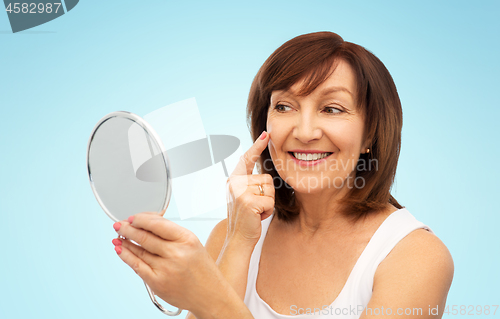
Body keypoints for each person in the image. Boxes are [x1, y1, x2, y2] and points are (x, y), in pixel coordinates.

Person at [111, 31, 454, 319]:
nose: (304, 132)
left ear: (370, 134)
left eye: (331, 108)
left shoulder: (416, 256)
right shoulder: (234, 234)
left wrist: (206, 297)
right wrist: (239, 243)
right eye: (284, 106)